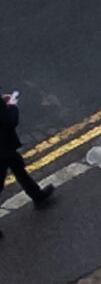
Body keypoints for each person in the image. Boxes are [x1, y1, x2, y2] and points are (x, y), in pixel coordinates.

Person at [0, 89, 56, 238]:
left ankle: (38, 196)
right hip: (3, 150)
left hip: (6, 151)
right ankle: (38, 197)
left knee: (19, 169)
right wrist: (12, 106)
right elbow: (8, 122)